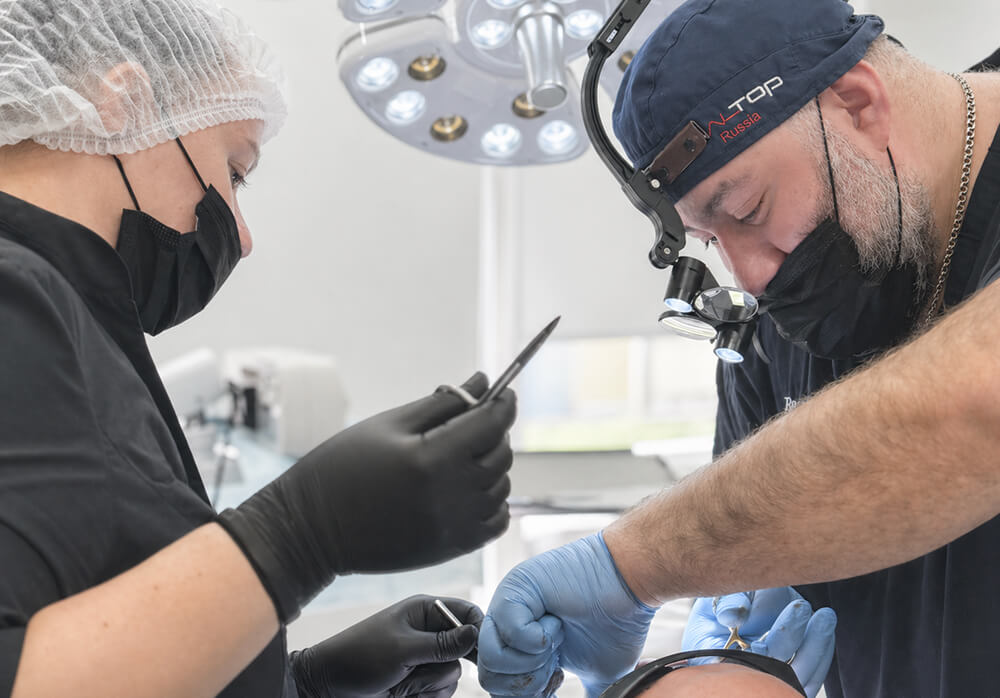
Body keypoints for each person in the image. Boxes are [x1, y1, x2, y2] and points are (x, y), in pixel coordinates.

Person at [476, 0, 1000, 696]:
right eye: (710, 240)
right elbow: (755, 554)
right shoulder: (786, 322)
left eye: (749, 209)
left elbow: (975, 406)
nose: (749, 277)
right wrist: (719, 663)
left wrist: (631, 565)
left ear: (857, 103)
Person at [0, 1, 517, 695]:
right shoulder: (13, 298)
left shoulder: (74, 321)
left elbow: (95, 632)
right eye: (235, 171)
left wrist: (300, 683)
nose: (242, 238)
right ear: (122, 102)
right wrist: (298, 536)